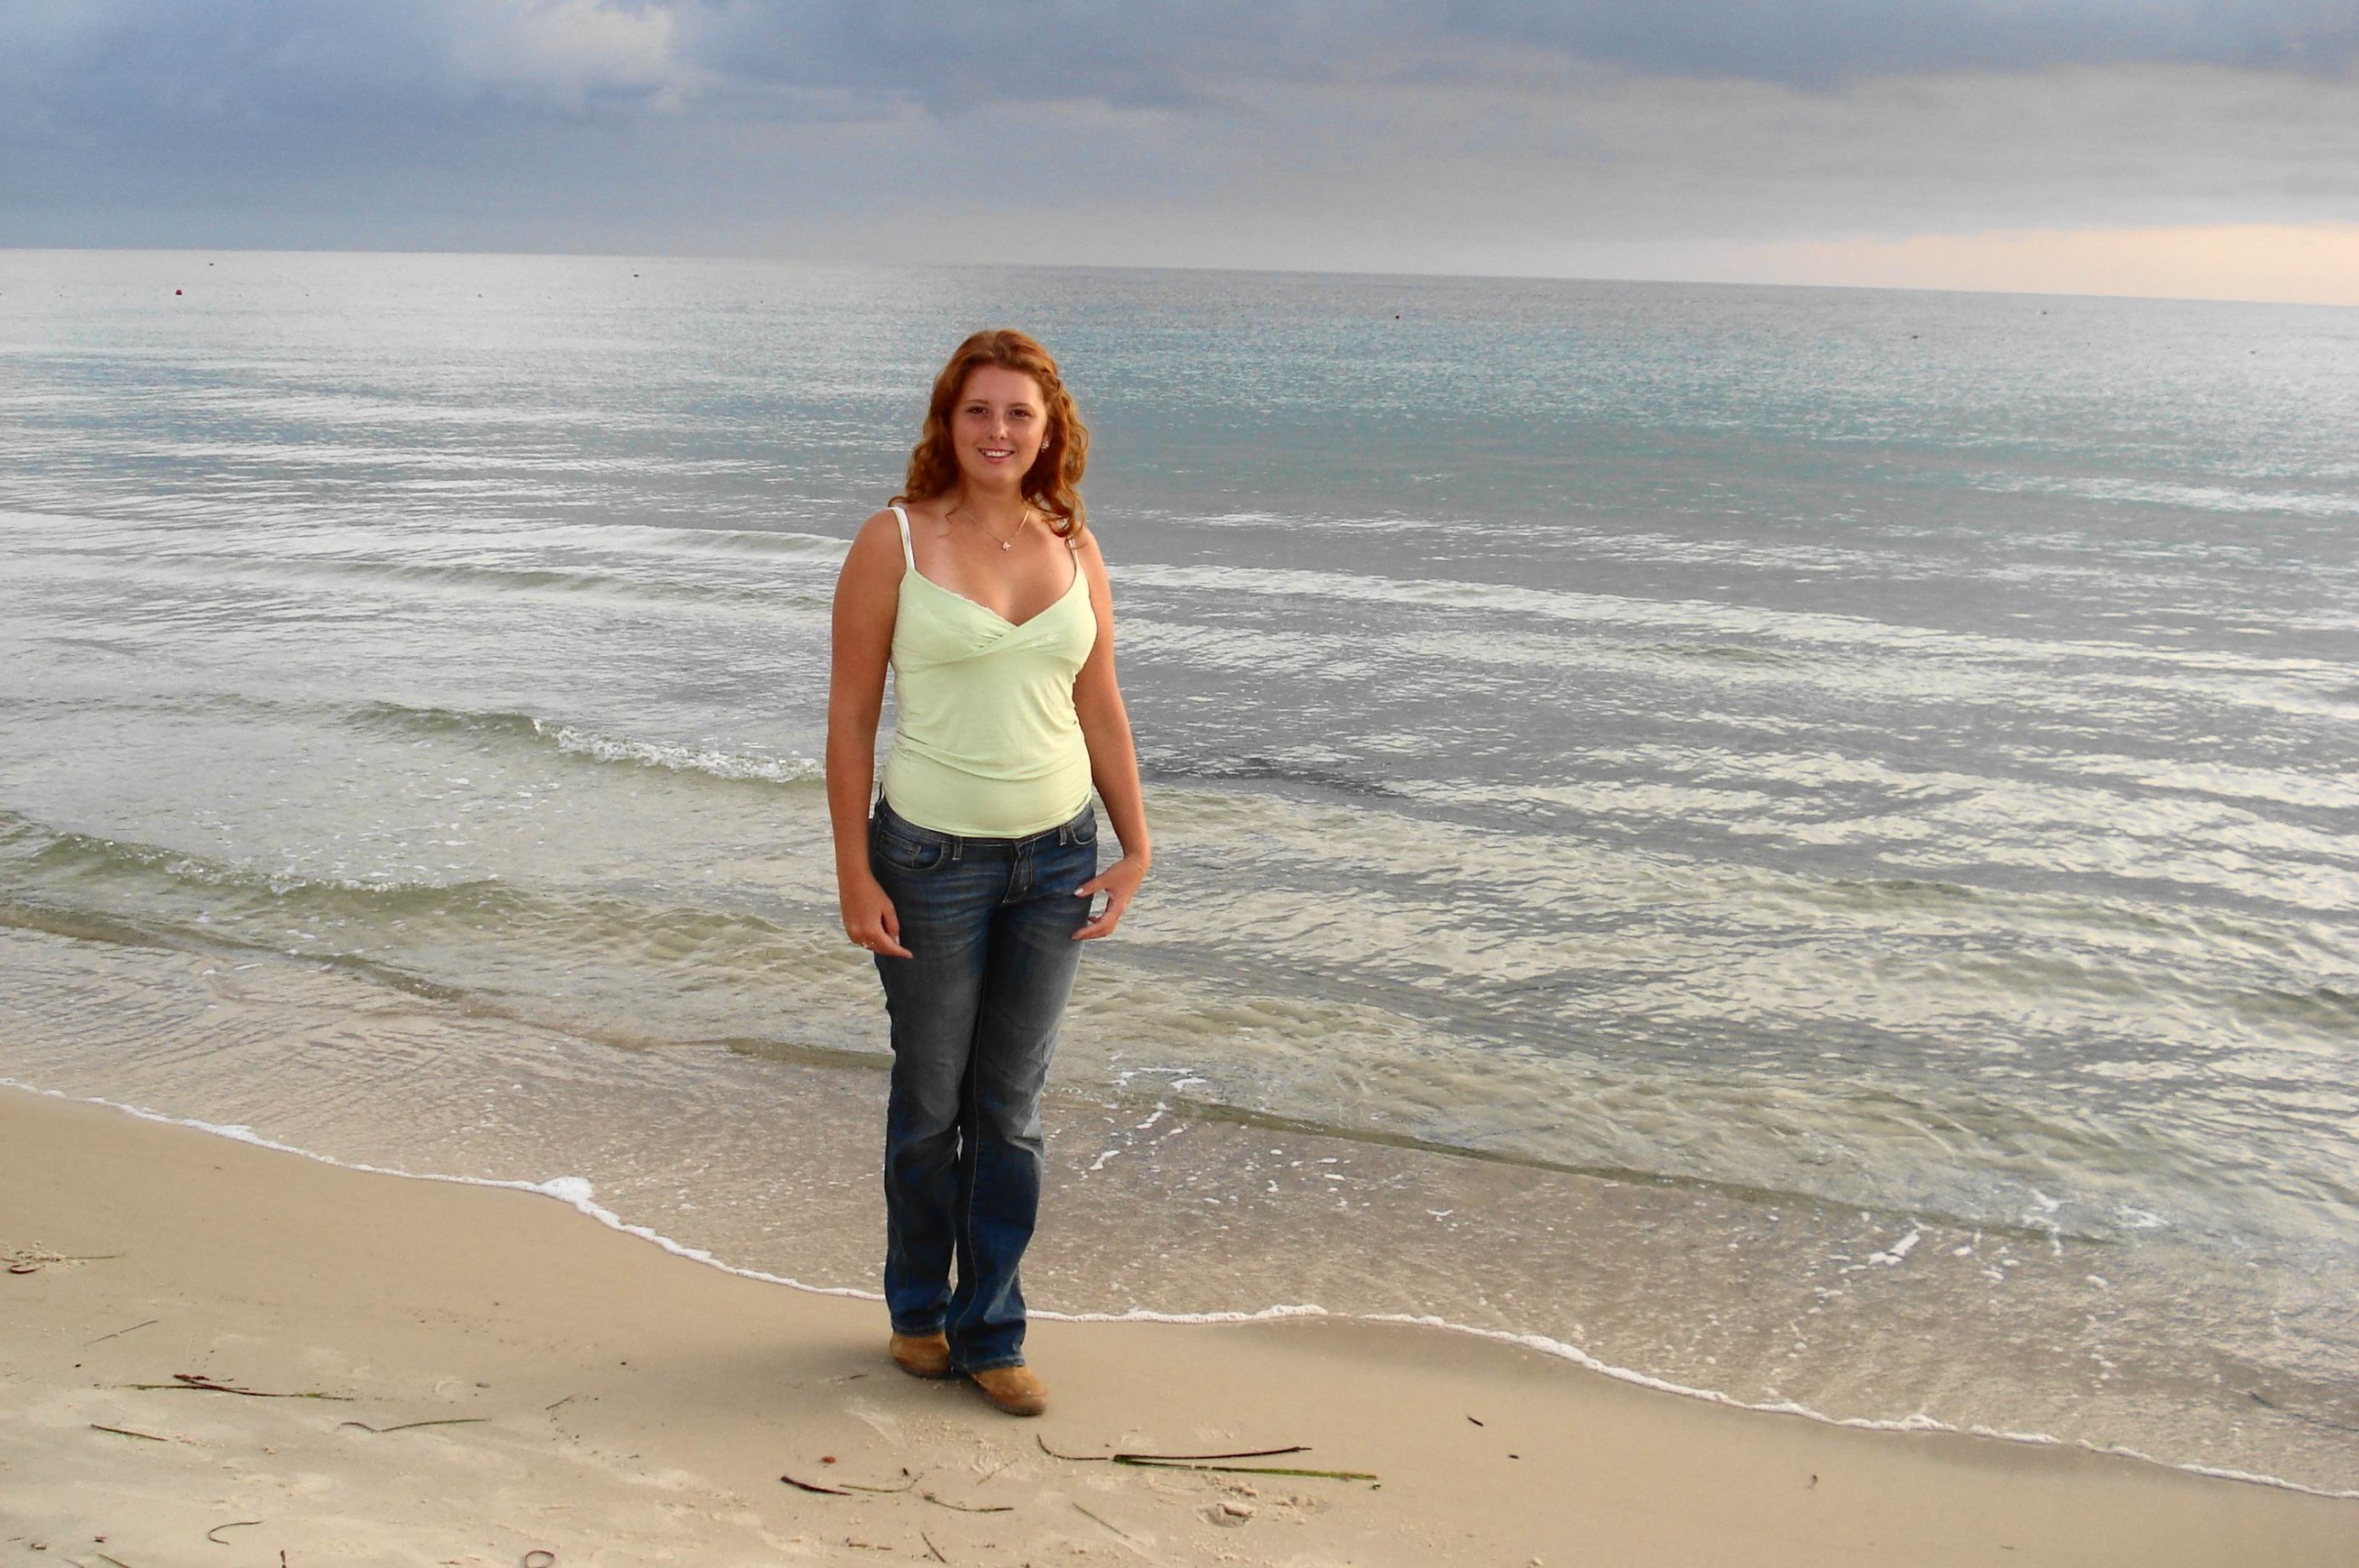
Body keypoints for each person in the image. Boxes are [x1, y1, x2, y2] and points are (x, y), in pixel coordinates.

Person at [825, 330, 1151, 1417]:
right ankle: (918, 1310)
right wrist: (853, 869)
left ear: (1050, 429)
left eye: (1019, 412)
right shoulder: (894, 541)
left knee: (1008, 1109)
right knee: (931, 1102)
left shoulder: (1075, 544)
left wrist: (1135, 846)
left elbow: (1099, 706)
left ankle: (992, 1330)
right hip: (927, 862)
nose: (998, 430)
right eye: (978, 410)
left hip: (1056, 861)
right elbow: (851, 717)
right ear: (947, 421)